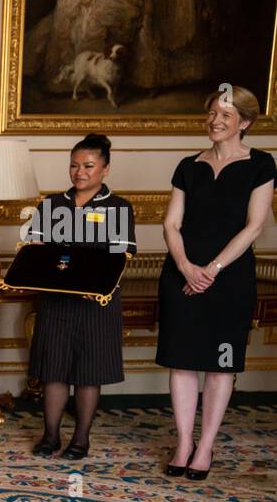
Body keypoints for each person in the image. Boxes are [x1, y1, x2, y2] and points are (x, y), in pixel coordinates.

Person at [158, 86, 275, 480]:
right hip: (182, 271)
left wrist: (211, 270)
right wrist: (187, 267)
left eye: (225, 114)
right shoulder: (188, 166)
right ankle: (183, 442)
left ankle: (205, 445)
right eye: (211, 113)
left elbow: (255, 225)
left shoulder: (261, 164)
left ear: (244, 122)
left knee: (221, 365)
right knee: (182, 361)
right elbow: (171, 223)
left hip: (229, 277)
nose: (215, 120)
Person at [26, 133, 136, 459]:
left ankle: (81, 440)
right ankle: (50, 436)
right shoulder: (51, 204)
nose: (80, 172)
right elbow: (36, 251)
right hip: (57, 301)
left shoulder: (119, 207)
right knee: (53, 370)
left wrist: (94, 283)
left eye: (88, 165)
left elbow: (121, 256)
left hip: (97, 304)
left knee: (88, 372)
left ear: (105, 169)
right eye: (74, 165)